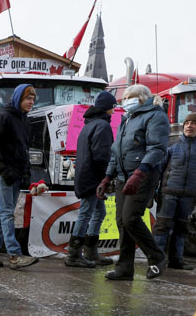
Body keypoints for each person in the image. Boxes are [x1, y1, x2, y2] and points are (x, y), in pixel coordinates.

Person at [96, 84, 168, 280]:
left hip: (142, 175)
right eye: (125, 97)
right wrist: (108, 177)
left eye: (131, 97)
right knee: (121, 222)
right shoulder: (126, 119)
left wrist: (139, 173)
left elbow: (157, 148)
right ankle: (124, 267)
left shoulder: (156, 116)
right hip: (122, 176)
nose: (126, 101)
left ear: (143, 98)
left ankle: (157, 257)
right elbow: (116, 152)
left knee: (130, 218)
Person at [153, 112, 196, 270]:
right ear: (183, 126)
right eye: (187, 123)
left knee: (182, 228)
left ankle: (176, 260)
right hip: (169, 193)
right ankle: (156, 260)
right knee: (162, 227)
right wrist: (152, 192)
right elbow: (158, 170)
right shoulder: (171, 146)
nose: (190, 126)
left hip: (188, 196)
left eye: (194, 123)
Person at [0, 83, 39, 269]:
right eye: (28, 98)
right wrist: (0, 169)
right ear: (18, 99)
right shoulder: (4, 118)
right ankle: (14, 256)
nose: (31, 102)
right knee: (7, 213)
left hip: (16, 174)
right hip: (6, 173)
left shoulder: (25, 120)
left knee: (5, 215)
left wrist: (26, 174)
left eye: (32, 98)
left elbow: (25, 150)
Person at [69, 90, 117, 267]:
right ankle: (74, 254)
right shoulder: (102, 126)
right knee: (86, 213)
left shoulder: (89, 124)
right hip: (93, 178)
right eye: (113, 107)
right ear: (107, 108)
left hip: (85, 175)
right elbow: (101, 155)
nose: (114, 110)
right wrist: (107, 177)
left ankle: (90, 251)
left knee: (99, 212)